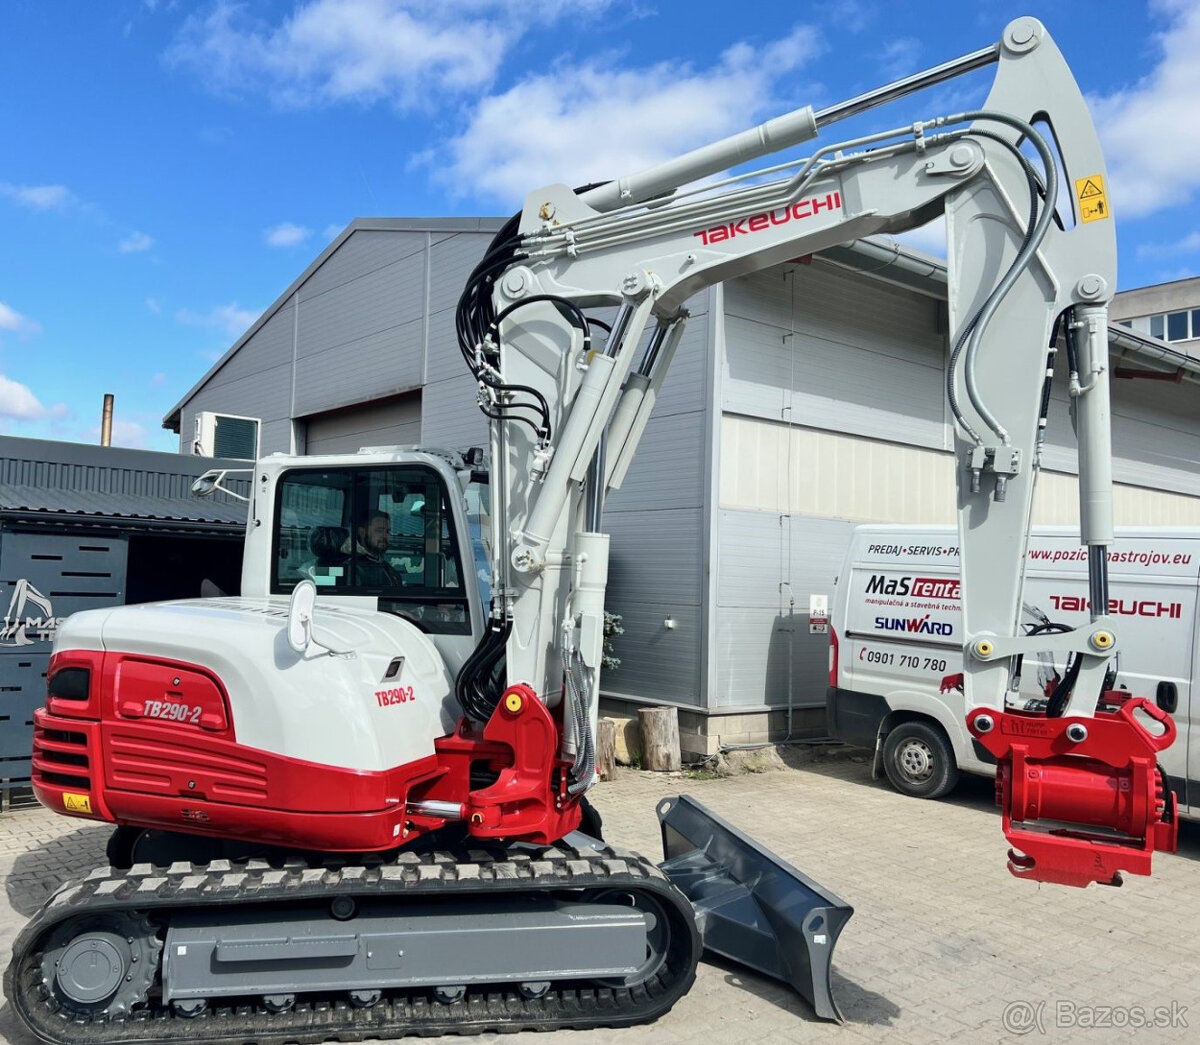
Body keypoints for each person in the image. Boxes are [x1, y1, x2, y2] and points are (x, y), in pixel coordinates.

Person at [351, 509, 401, 587]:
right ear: (362, 532)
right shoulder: (352, 568)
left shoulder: (390, 570)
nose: (385, 536)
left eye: (387, 531)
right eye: (379, 530)